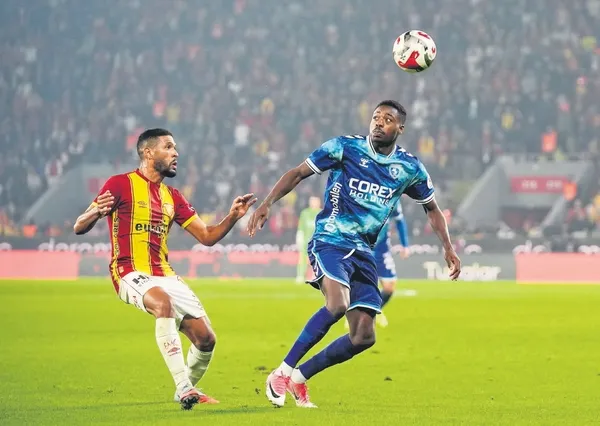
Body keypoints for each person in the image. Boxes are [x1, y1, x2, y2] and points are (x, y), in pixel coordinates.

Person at [247, 100, 461, 408]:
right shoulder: (345, 148)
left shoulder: (409, 168)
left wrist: (448, 247)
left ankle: (300, 377)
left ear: (400, 128)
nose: (378, 123)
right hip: (331, 239)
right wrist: (267, 203)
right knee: (337, 304)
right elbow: (298, 173)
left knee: (363, 336)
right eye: (375, 117)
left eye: (387, 119)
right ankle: (281, 373)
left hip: (364, 251)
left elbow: (432, 208)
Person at [73, 128, 256, 410]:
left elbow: (207, 236)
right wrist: (96, 212)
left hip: (165, 273)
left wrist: (232, 217)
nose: (176, 153)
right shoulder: (119, 184)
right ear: (148, 153)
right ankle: (184, 387)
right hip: (129, 271)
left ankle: (186, 389)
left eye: (175, 148)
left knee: (206, 339)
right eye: (168, 147)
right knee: (163, 303)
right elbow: (79, 226)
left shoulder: (173, 197)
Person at [345, 201, 411, 329]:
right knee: (362, 285)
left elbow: (399, 220)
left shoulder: (394, 198)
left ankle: (374, 310)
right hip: (361, 247)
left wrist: (405, 245)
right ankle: (354, 315)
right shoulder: (362, 195)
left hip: (382, 249)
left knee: (389, 287)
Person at [295, 196, 322, 283]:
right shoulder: (305, 213)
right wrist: (299, 237)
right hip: (306, 241)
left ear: (319, 202)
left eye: (315, 201)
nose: (314, 203)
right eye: (312, 201)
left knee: (317, 259)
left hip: (318, 241)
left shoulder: (322, 213)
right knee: (302, 258)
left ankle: (315, 275)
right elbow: (301, 227)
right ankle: (300, 275)